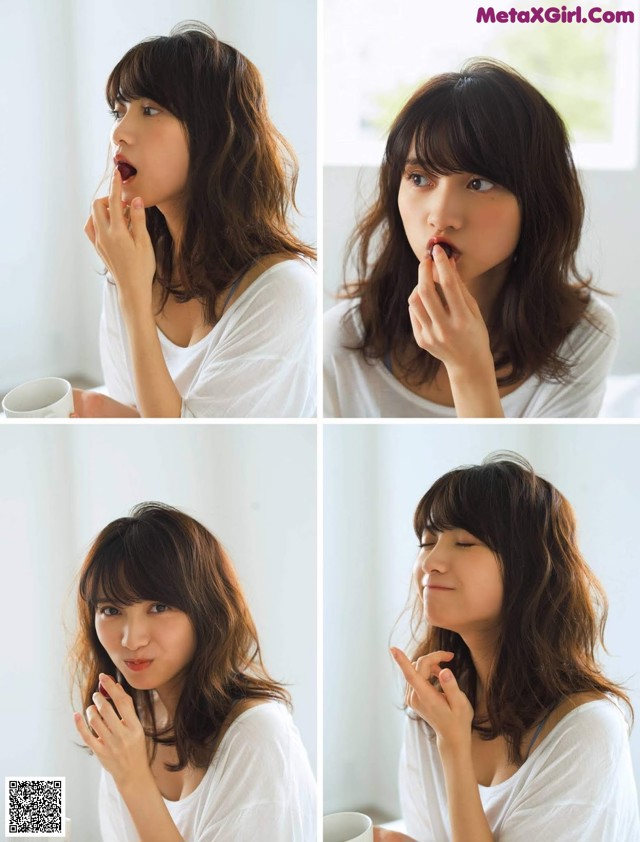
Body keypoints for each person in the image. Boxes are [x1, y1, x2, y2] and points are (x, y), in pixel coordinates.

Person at [324, 59, 616, 418]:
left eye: (478, 183)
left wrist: (468, 369)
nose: (441, 216)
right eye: (419, 179)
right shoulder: (341, 341)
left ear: (537, 200)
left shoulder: (583, 334)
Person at [376, 454, 639, 841]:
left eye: (464, 542)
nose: (431, 561)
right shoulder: (432, 702)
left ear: (528, 567)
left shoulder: (586, 731)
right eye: (427, 541)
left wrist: (453, 744)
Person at [74, 22, 316, 418]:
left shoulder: (282, 293)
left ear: (213, 133)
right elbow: (135, 418)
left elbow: (189, 450)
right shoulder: (132, 261)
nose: (120, 132)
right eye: (119, 111)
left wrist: (134, 294)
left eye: (150, 110)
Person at [69, 503, 316, 841]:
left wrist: (134, 779)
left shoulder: (257, 736)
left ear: (206, 609)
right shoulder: (130, 724)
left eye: (159, 607)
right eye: (111, 609)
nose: (131, 639)